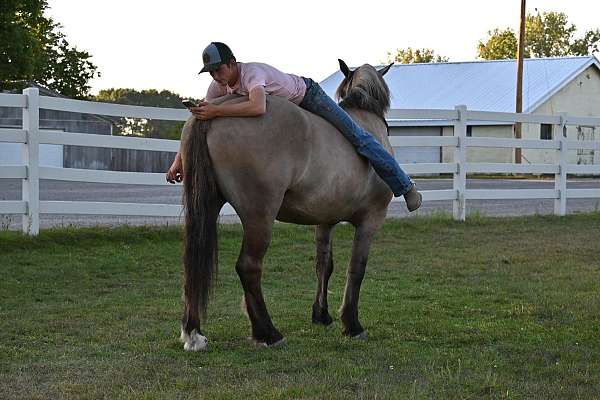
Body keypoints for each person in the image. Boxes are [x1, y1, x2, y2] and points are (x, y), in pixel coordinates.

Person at [166, 42, 422, 211]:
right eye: (211, 73)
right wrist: (179, 161)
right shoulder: (218, 87)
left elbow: (258, 107)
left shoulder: (251, 74)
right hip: (288, 110)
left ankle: (405, 186)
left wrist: (216, 110)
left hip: (308, 96)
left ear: (232, 63)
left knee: (357, 136)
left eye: (218, 69)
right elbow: (201, 119)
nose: (216, 76)